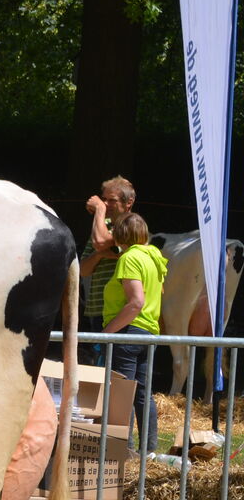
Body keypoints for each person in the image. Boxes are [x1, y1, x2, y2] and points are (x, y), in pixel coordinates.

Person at [103, 212, 168, 455]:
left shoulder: (129, 258)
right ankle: (148, 452)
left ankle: (124, 452)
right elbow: (157, 295)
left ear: (120, 235)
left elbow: (135, 302)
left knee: (123, 393)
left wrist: (107, 333)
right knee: (143, 394)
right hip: (148, 333)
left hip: (128, 332)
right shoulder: (155, 258)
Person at [80, 176, 136, 361]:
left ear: (129, 203)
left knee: (115, 369)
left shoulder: (132, 227)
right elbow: (83, 270)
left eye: (111, 200)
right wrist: (100, 255)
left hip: (118, 311)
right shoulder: (103, 227)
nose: (105, 203)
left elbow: (100, 241)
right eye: (103, 199)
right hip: (97, 310)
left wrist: (99, 211)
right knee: (101, 365)